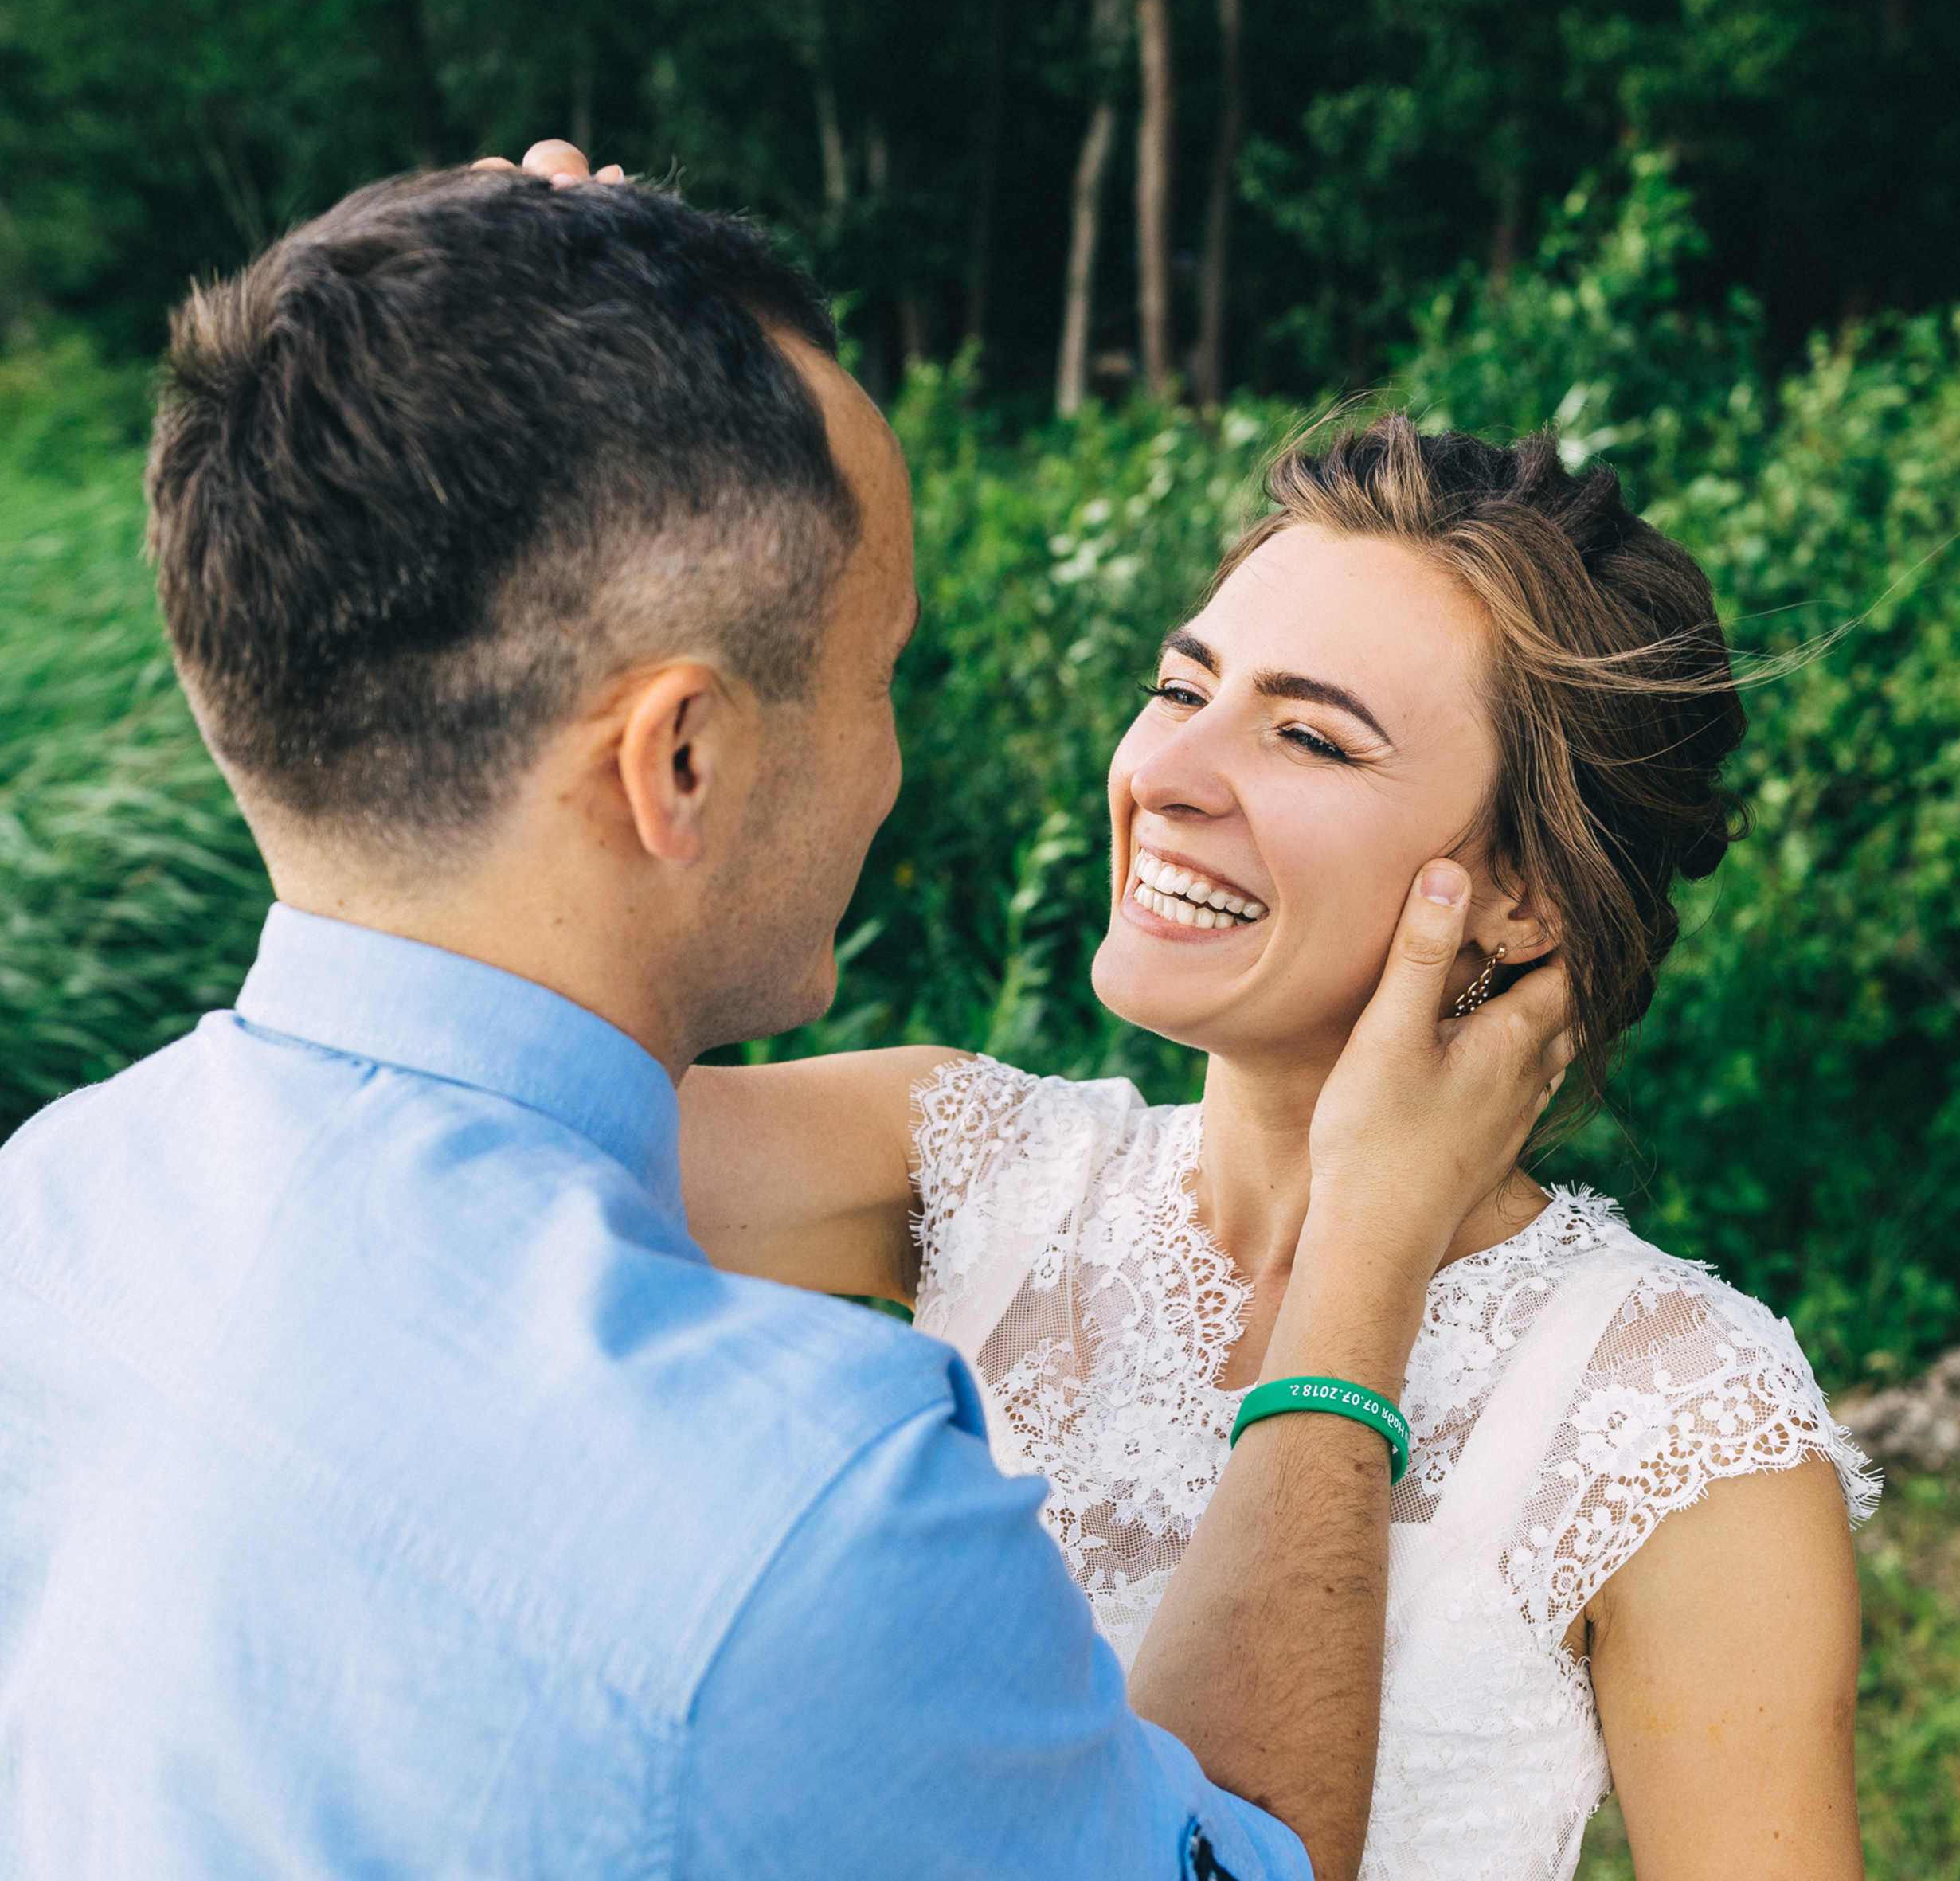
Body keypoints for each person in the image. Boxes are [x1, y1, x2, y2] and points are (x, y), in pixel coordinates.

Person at [0, 154, 1572, 1878]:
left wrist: (471, 325)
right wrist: (1358, 1272)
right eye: (874, 669)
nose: (893, 758)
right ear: (680, 758)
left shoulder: (58, 1209)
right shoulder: (804, 1509)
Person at [677, 416, 1880, 1875]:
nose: (1168, 769)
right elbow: (443, 1119)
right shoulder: (963, 1164)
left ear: (1519, 900)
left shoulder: (1674, 1413)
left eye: (1308, 735)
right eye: (1179, 686)